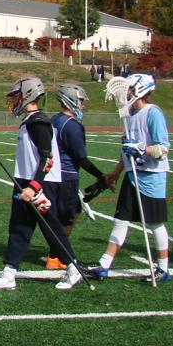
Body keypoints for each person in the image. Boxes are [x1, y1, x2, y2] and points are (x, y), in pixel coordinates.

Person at [0, 77, 77, 291]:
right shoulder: (29, 121)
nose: (14, 100)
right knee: (19, 228)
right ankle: (9, 274)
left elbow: (48, 159)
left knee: (51, 228)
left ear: (28, 95)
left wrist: (34, 187)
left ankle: (73, 268)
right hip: (25, 181)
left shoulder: (39, 122)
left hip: (40, 184)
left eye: (16, 96)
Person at [81, 74, 173, 285]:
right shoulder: (128, 115)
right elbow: (126, 151)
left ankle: (163, 268)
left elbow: (163, 148)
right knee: (120, 220)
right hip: (132, 175)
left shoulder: (153, 113)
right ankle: (104, 265)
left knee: (155, 223)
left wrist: (143, 149)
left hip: (151, 176)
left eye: (130, 88)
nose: (126, 93)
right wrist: (115, 173)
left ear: (141, 89)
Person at [48, 84, 112, 288]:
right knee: (67, 217)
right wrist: (101, 175)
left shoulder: (55, 119)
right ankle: (56, 255)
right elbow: (81, 158)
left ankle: (56, 252)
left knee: (70, 211)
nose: (82, 104)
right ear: (70, 100)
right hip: (66, 175)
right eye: (80, 100)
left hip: (54, 174)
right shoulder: (72, 125)